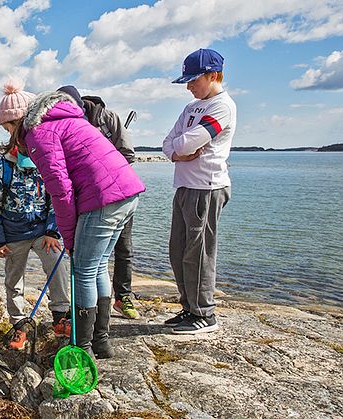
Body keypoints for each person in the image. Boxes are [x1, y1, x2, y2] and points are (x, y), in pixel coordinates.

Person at [20, 89, 145, 359]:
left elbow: (60, 190)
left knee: (84, 270)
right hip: (127, 194)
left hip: (103, 200)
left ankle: (82, 347)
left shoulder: (39, 133)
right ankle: (101, 341)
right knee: (98, 265)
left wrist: (68, 237)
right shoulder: (73, 120)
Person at [0, 80, 70, 350]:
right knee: (14, 279)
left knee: (57, 262)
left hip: (41, 231)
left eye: (12, 127)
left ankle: (61, 315)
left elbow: (56, 196)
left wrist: (51, 230)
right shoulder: (2, 167)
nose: (11, 133)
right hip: (13, 235)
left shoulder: (46, 156)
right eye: (6, 129)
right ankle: (19, 322)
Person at [162, 48, 235, 335]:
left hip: (206, 187)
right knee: (178, 250)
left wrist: (179, 149)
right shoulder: (191, 108)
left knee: (199, 251)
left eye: (194, 80)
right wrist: (178, 152)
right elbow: (169, 145)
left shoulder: (222, 106)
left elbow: (185, 143)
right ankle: (189, 308)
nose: (189, 86)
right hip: (184, 185)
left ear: (213, 76)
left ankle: (204, 313)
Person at [66, 87, 140, 320]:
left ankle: (123, 296)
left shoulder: (108, 118)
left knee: (122, 249)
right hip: (88, 199)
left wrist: (104, 172)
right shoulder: (71, 122)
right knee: (92, 261)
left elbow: (128, 153)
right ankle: (91, 314)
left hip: (118, 194)